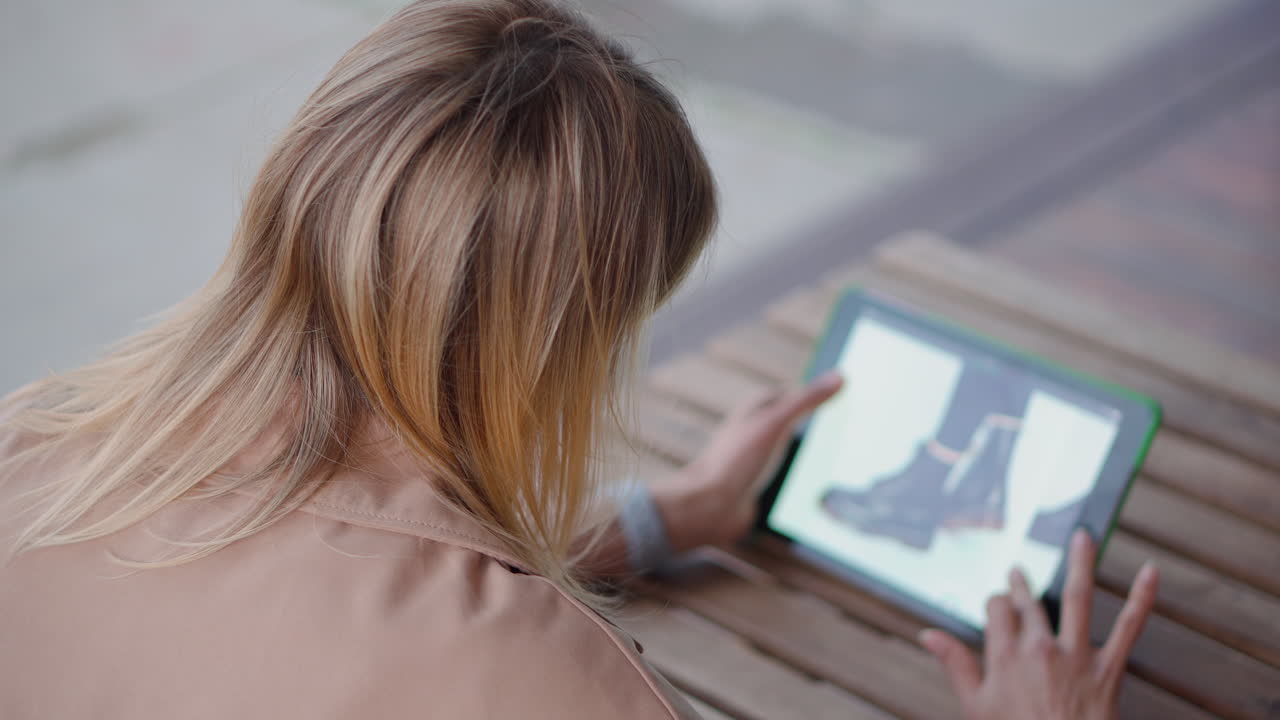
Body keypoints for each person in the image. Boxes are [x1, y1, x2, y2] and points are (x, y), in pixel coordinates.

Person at [0, 1, 1157, 717]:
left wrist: (671, 515)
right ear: (551, 352)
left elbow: (311, 569)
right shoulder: (552, 678)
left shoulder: (41, 443)